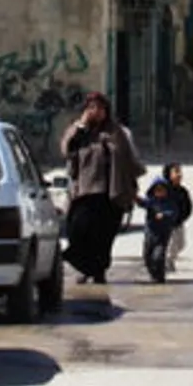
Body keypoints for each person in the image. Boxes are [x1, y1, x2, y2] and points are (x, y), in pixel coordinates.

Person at [61, 92, 138, 284]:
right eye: (92, 108)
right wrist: (82, 125)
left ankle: (98, 270)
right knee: (77, 231)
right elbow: (67, 149)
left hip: (110, 193)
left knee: (104, 236)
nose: (96, 112)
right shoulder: (78, 130)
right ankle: (84, 266)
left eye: (100, 108)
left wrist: (131, 191)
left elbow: (128, 161)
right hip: (84, 192)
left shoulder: (116, 132)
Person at [138, 177, 182, 283]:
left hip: (163, 234)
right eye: (157, 190)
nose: (159, 192)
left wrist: (164, 215)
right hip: (150, 233)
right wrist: (136, 198)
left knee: (158, 255)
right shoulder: (151, 201)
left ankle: (160, 276)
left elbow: (174, 213)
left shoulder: (170, 203)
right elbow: (143, 203)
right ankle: (153, 273)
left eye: (162, 190)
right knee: (147, 256)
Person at [159, 163, 193, 274]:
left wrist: (184, 216)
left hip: (179, 222)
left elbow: (188, 205)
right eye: (176, 172)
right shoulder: (164, 190)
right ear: (168, 175)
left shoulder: (182, 191)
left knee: (181, 244)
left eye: (180, 172)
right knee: (171, 244)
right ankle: (166, 263)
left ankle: (169, 260)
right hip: (167, 223)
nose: (179, 175)